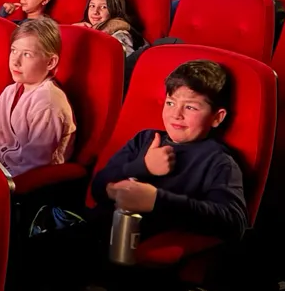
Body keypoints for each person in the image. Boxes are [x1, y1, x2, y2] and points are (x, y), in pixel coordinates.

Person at [91, 60, 247, 242]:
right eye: (170, 103)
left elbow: (234, 221)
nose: (176, 114)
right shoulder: (145, 139)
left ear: (217, 117)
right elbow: (98, 186)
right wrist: (143, 167)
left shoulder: (218, 161)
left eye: (190, 107)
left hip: (138, 248)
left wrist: (156, 201)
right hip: (98, 230)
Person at [0, 18, 76, 176]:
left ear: (50, 62)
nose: (15, 61)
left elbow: (36, 163)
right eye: (13, 51)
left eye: (27, 54)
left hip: (29, 179)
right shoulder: (10, 92)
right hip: (3, 167)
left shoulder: (49, 103)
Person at [75, 0, 142, 56]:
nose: (95, 12)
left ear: (115, 10)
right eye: (92, 6)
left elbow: (124, 64)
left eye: (104, 7)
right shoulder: (83, 27)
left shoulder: (120, 35)